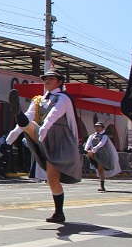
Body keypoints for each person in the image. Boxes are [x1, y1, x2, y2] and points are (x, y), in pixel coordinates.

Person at [6, 69, 82, 223]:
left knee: (53, 178)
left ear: (60, 82)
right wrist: (14, 133)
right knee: (29, 123)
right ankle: (17, 113)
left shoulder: (64, 98)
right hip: (43, 135)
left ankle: (59, 213)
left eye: (51, 79)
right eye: (45, 79)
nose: (47, 81)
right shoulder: (39, 100)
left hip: (60, 139)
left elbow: (55, 112)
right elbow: (30, 115)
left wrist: (46, 127)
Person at [85, 121, 121, 192]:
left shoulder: (104, 136)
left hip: (102, 155)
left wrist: (96, 147)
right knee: (89, 153)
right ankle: (87, 154)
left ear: (102, 128)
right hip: (94, 154)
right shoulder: (92, 136)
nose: (97, 128)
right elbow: (88, 143)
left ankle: (102, 185)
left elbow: (102, 143)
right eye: (96, 127)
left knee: (100, 170)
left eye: (98, 127)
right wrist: (86, 148)